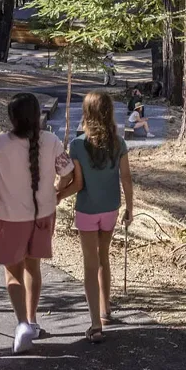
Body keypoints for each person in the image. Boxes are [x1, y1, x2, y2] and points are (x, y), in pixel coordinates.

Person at [0, 93, 77, 353]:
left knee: (12, 274)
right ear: (37, 115)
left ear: (12, 117)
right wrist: (58, 193)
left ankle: (22, 324)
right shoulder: (51, 141)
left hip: (10, 216)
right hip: (43, 214)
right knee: (33, 267)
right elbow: (68, 173)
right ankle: (33, 320)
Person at [67, 92, 133, 343]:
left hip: (86, 210)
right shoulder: (119, 143)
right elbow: (126, 177)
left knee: (89, 264)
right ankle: (106, 309)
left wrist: (57, 193)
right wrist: (130, 207)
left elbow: (75, 182)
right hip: (111, 209)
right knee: (104, 257)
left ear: (87, 114)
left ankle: (95, 323)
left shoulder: (77, 145)